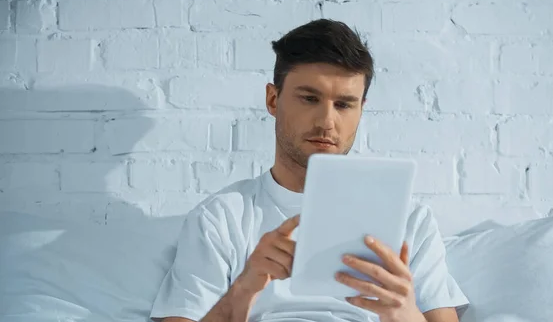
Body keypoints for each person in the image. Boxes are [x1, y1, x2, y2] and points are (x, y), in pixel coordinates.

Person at [150, 19, 470, 322]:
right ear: (273, 100)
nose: (327, 121)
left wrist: (405, 313)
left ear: (361, 111)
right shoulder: (221, 218)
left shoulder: (411, 220)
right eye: (309, 98)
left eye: (344, 105)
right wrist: (244, 288)